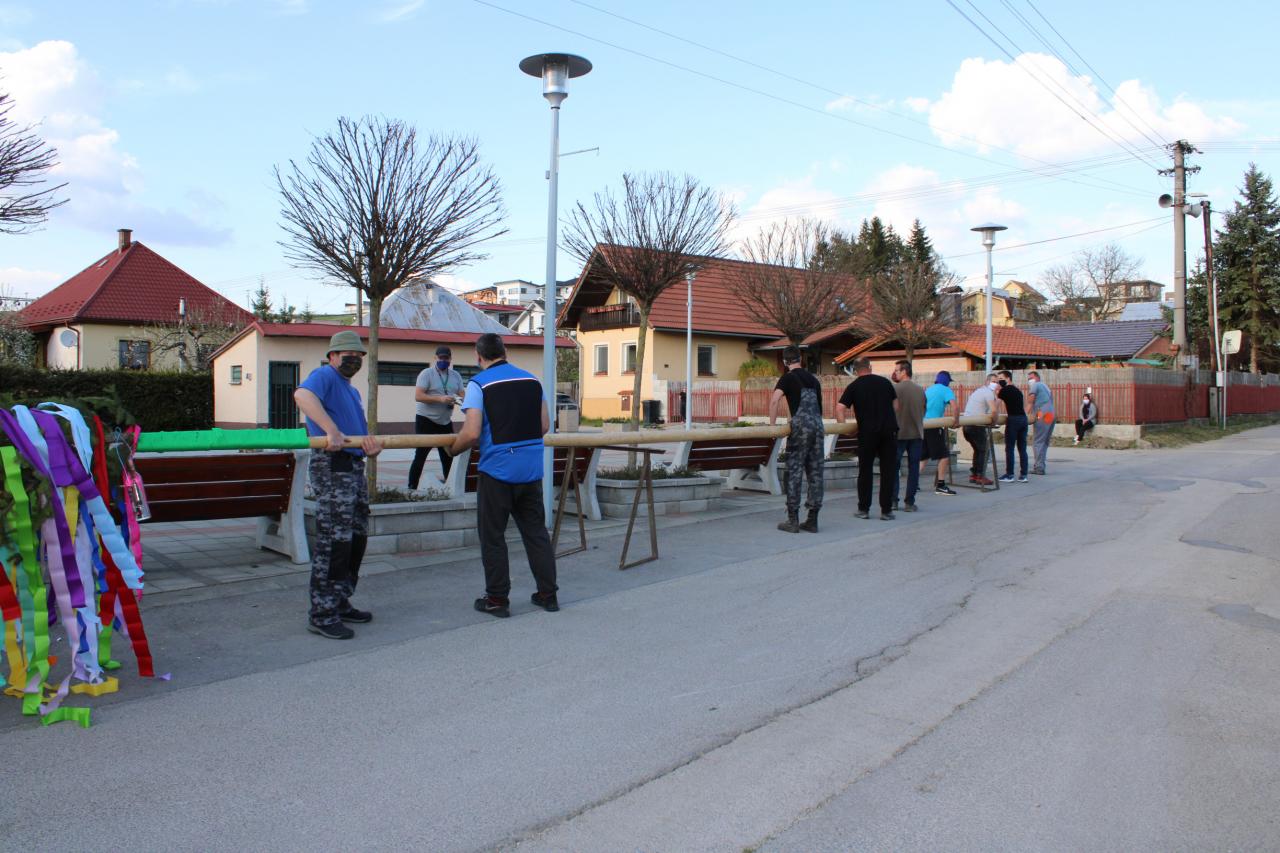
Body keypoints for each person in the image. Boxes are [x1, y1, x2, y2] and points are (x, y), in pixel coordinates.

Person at [450, 333, 558, 618]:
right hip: (530, 471)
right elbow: (544, 425)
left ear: (478, 356)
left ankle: (497, 599)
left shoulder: (478, 384)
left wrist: (452, 449)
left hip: (497, 471)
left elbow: (471, 433)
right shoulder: (532, 381)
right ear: (505, 351)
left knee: (493, 536)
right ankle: (548, 594)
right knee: (536, 533)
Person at [293, 329, 383, 640]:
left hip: (353, 465)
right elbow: (302, 396)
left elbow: (356, 432)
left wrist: (368, 446)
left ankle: (341, 600)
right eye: (348, 355)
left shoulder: (351, 391)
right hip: (333, 466)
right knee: (335, 541)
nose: (354, 360)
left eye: (359, 356)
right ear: (332, 356)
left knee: (356, 538)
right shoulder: (325, 376)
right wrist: (330, 430)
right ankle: (322, 612)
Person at [769, 346, 824, 533]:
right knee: (815, 474)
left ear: (785, 361)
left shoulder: (787, 378)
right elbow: (818, 409)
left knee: (794, 472)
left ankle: (793, 520)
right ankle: (813, 520)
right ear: (800, 359)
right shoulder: (814, 380)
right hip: (817, 428)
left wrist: (772, 426)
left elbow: (775, 400)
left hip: (800, 430)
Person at [836, 358, 898, 520]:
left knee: (865, 471)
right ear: (870, 367)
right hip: (888, 431)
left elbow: (840, 408)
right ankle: (886, 510)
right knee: (888, 471)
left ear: (855, 370)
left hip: (867, 432)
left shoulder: (854, 386)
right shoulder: (885, 382)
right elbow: (896, 405)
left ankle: (863, 509)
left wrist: (845, 429)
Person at [408, 345, 464, 490]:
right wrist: (440, 399)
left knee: (448, 456)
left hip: (445, 421)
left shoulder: (456, 376)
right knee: (421, 455)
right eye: (441, 358)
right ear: (435, 358)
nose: (443, 360)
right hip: (426, 420)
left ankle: (450, 488)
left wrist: (458, 400)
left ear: (450, 359)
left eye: (446, 358)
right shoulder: (426, 374)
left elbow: (462, 395)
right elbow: (418, 396)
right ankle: (411, 487)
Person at [890, 360, 926, 512]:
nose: (895, 373)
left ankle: (893, 501)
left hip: (898, 434)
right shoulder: (920, 390)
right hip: (916, 433)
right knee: (914, 469)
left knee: (894, 468)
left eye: (897, 371)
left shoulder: (894, 389)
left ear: (904, 371)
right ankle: (910, 502)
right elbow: (924, 410)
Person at [921, 370, 958, 496]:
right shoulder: (946, 390)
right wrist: (956, 421)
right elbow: (955, 407)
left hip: (924, 425)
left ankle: (913, 483)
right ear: (947, 381)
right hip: (934, 426)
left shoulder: (929, 389)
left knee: (924, 456)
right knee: (944, 455)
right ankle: (941, 485)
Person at [962, 373, 1000, 486]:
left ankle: (974, 474)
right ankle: (980, 476)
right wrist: (994, 422)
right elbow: (994, 411)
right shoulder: (988, 393)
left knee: (978, 450)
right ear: (987, 382)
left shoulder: (979, 391)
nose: (995, 384)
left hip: (967, 424)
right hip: (976, 425)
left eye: (997, 382)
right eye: (994, 381)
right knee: (984, 450)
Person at [996, 369, 1029, 483]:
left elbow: (995, 405)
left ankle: (1009, 475)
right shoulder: (1017, 390)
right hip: (1023, 419)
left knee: (1009, 448)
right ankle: (1023, 475)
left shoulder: (1004, 391)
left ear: (1008, 378)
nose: (999, 381)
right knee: (1022, 449)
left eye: (1001, 379)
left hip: (1013, 420)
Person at [1027, 370, 1056, 474]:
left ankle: (1039, 467)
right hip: (1051, 413)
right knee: (1044, 442)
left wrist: (1024, 416)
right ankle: (1041, 465)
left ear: (1037, 378)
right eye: (1028, 379)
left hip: (1042, 413)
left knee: (1038, 441)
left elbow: (1030, 402)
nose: (1030, 380)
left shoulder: (1036, 385)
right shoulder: (1046, 387)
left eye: (1031, 378)